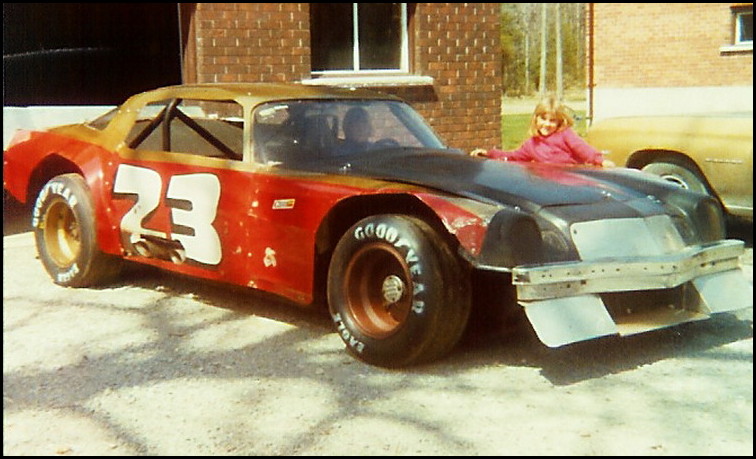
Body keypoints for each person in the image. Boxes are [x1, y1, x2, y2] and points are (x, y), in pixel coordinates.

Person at [471, 96, 614, 167]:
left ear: (559, 122)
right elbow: (513, 156)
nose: (547, 124)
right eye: (543, 119)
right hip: (548, 184)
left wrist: (600, 160)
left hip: (571, 179)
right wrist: (489, 153)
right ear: (536, 119)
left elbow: (583, 149)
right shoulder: (531, 144)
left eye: (552, 121)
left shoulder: (565, 135)